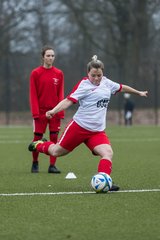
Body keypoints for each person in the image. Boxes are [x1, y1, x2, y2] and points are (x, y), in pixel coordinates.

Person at [28, 55, 148, 191]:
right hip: (79, 127)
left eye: (99, 75)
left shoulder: (107, 83)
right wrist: (53, 111)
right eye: (93, 75)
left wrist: (138, 93)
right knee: (56, 152)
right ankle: (39, 145)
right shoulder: (84, 85)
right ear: (88, 73)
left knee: (108, 153)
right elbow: (68, 100)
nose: (96, 79)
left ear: (103, 73)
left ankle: (105, 181)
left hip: (97, 131)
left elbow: (121, 87)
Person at [29, 46, 64, 173]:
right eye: (48, 55)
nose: (50, 58)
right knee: (37, 139)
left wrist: (59, 111)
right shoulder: (35, 73)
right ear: (43, 57)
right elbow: (33, 94)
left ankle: (52, 166)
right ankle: (35, 162)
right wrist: (36, 113)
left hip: (55, 112)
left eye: (52, 56)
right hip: (41, 112)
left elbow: (60, 94)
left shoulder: (59, 73)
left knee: (54, 138)